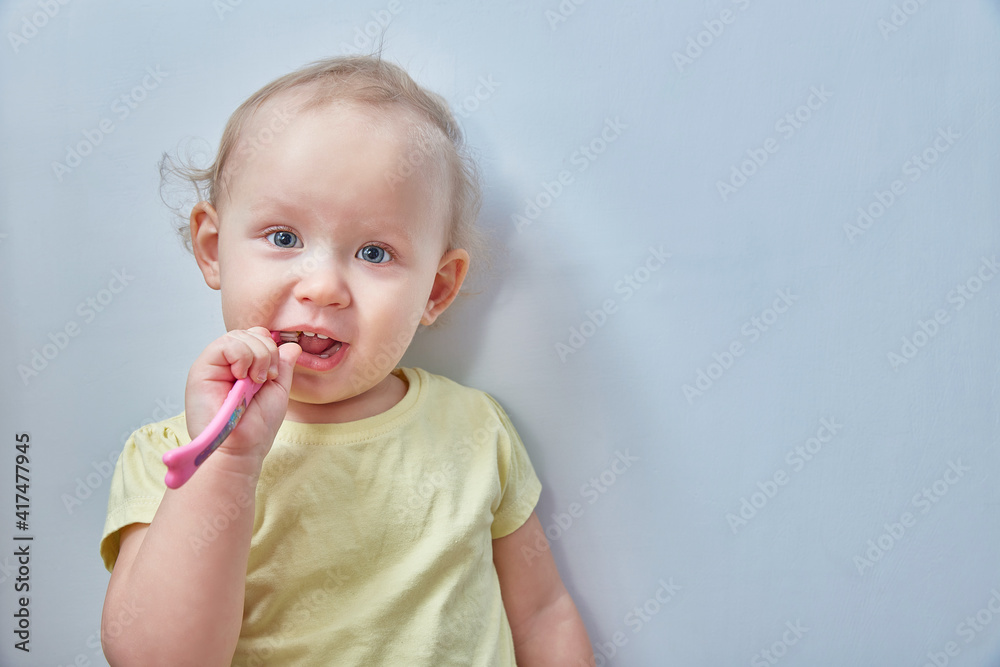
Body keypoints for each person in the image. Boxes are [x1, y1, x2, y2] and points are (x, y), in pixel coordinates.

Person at [99, 54, 592, 666]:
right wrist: (228, 462)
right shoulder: (175, 454)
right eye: (284, 238)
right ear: (213, 248)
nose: (324, 287)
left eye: (374, 252)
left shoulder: (475, 429)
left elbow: (543, 615)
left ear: (436, 290)